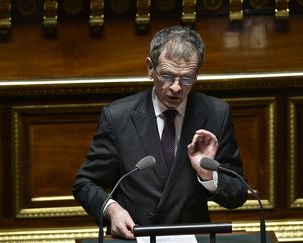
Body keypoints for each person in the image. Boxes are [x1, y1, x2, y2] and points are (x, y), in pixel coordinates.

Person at [73, 26, 248, 239]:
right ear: (149, 68)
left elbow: (237, 194)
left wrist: (208, 175)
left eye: (187, 78)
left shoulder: (216, 114)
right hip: (136, 236)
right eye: (167, 76)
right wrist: (113, 210)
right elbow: (84, 184)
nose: (176, 87)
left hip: (190, 237)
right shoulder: (118, 117)